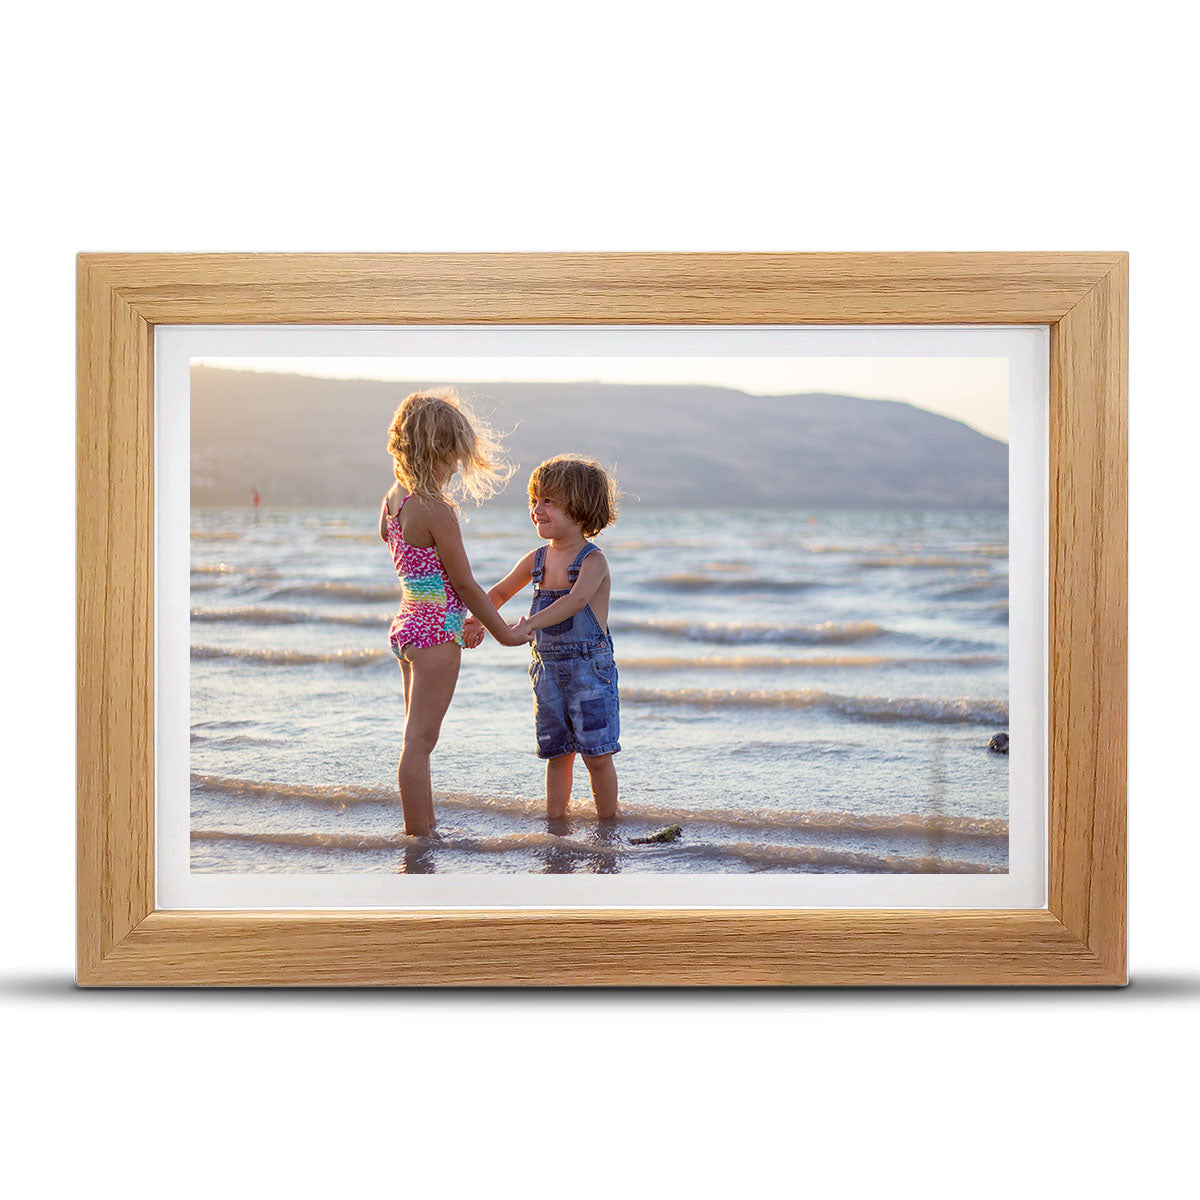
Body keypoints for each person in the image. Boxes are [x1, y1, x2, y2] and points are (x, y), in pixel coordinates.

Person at [380, 389, 530, 837]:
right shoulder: (436, 511)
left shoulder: (394, 499)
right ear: (437, 452)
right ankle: (418, 839)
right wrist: (505, 633)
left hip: (407, 628)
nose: (456, 469)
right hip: (435, 639)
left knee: (416, 740)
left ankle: (425, 827)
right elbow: (464, 584)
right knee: (420, 743)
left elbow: (394, 544)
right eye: (454, 459)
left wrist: (441, 606)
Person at [466, 455, 621, 820]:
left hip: (589, 672)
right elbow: (499, 593)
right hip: (548, 673)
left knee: (597, 755)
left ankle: (608, 823)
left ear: (579, 506)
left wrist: (528, 626)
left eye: (548, 501)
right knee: (557, 753)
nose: (537, 509)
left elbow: (574, 601)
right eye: (534, 500)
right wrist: (476, 620)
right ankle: (556, 823)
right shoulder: (536, 559)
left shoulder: (593, 561)